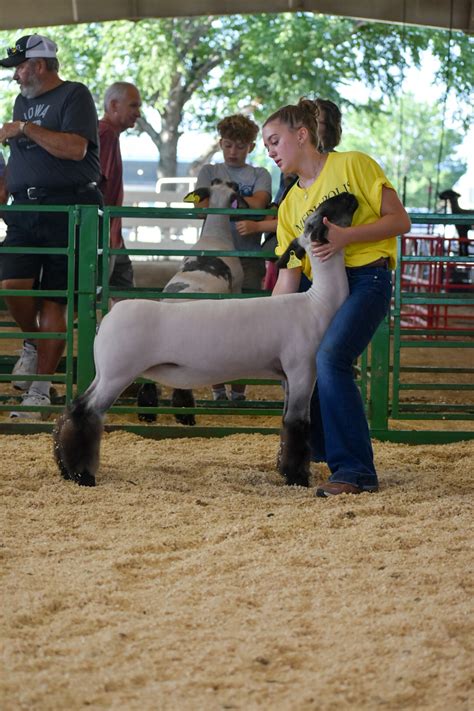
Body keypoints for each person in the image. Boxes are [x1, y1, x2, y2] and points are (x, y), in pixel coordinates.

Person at [262, 97, 411, 497]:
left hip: (366, 279)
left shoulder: (353, 165)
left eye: (275, 141)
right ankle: (320, 454)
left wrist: (347, 237)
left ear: (303, 135)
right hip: (316, 291)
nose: (271, 152)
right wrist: (269, 328)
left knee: (331, 358)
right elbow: (288, 277)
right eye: (267, 146)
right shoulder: (291, 203)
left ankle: (356, 471)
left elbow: (400, 221)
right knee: (302, 363)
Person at [0, 34, 103, 418]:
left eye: (19, 67)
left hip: (69, 205)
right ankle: (32, 343)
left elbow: (75, 149)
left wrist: (24, 129)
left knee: (55, 299)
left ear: (39, 65)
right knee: (11, 284)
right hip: (25, 205)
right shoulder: (22, 101)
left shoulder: (75, 95)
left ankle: (39, 391)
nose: (15, 76)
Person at [196, 114, 272, 401]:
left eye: (240, 146)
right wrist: (239, 202)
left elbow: (260, 203)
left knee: (246, 322)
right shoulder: (208, 170)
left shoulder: (259, 174)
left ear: (250, 147)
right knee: (212, 319)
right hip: (212, 256)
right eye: (228, 145)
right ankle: (216, 388)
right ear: (220, 143)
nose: (233, 152)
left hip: (248, 255)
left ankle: (238, 391)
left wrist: (226, 200)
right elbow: (199, 203)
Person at [99, 81, 142, 297]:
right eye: (133, 106)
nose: (138, 113)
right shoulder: (105, 134)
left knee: (122, 293)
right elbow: (98, 183)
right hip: (104, 230)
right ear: (114, 105)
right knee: (97, 293)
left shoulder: (107, 134)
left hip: (110, 230)